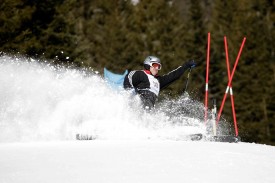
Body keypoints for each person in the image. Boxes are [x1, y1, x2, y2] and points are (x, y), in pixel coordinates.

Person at [123, 56, 196, 110]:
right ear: (148, 65)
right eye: (155, 65)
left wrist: (186, 65)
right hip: (139, 103)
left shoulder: (158, 81)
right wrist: (129, 92)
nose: (157, 68)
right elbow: (128, 77)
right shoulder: (141, 74)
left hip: (149, 108)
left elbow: (173, 76)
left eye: (159, 66)